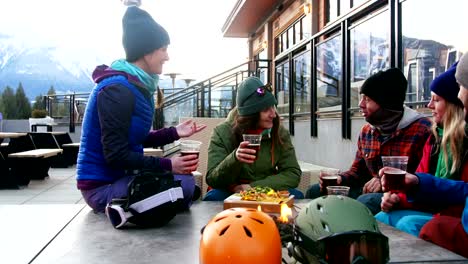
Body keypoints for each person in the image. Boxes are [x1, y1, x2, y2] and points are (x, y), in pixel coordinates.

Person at [76, 6, 206, 214]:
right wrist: (167, 165)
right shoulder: (117, 90)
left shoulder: (134, 85)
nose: (167, 56)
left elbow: (134, 138)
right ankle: (146, 204)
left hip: (120, 178)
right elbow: (116, 155)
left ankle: (171, 196)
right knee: (185, 184)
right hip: (102, 187)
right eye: (163, 49)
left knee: (186, 182)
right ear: (147, 51)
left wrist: (174, 133)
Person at [305, 68, 432, 215]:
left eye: (368, 99)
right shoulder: (367, 131)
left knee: (366, 201)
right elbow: (357, 172)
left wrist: (382, 180)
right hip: (367, 192)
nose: (360, 104)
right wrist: (340, 179)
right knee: (315, 191)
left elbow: (424, 177)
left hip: (400, 197)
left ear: (386, 103)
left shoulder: (422, 129)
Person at [378, 53, 468, 257]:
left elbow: (456, 193)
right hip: (433, 210)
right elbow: (419, 180)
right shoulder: (435, 137)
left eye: (436, 100)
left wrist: (412, 187)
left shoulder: (462, 141)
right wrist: (396, 198)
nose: (429, 105)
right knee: (381, 217)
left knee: (407, 223)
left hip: (450, 216)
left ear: (455, 105)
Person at [203, 76, 302, 201]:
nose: (273, 114)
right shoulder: (222, 133)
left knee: (297, 196)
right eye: (266, 109)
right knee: (213, 197)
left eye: (273, 106)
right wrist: (235, 159)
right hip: (231, 191)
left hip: (264, 189)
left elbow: (292, 173)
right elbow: (212, 178)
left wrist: (253, 187)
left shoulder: (279, 132)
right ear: (251, 115)